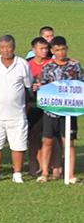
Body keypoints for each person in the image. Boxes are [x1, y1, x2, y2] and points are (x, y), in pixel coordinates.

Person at [0, 35, 31, 184]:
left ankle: (17, 173)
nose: (5, 50)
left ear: (13, 47)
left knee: (18, 145)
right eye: (2, 47)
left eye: (8, 47)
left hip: (17, 114)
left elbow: (28, 87)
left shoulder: (22, 64)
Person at [36, 36, 82, 182]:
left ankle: (70, 174)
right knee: (47, 141)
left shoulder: (75, 66)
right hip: (50, 111)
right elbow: (43, 86)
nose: (61, 53)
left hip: (69, 111)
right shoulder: (48, 67)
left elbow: (81, 86)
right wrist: (38, 88)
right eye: (57, 50)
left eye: (63, 49)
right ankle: (44, 173)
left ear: (66, 49)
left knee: (68, 142)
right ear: (52, 51)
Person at [26, 36, 51, 174]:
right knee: (33, 136)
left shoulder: (51, 63)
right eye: (41, 48)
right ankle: (33, 166)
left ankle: (49, 167)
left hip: (49, 104)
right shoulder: (27, 64)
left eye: (46, 48)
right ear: (34, 50)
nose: (44, 51)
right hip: (33, 104)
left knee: (50, 137)